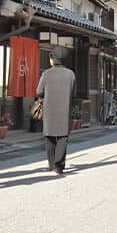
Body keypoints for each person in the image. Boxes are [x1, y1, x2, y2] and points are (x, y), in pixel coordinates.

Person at [36, 45, 75, 175]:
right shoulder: (70, 74)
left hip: (49, 109)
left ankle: (52, 164)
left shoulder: (46, 74)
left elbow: (39, 91)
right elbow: (74, 93)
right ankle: (59, 165)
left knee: (49, 136)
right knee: (63, 136)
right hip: (65, 109)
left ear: (53, 59)